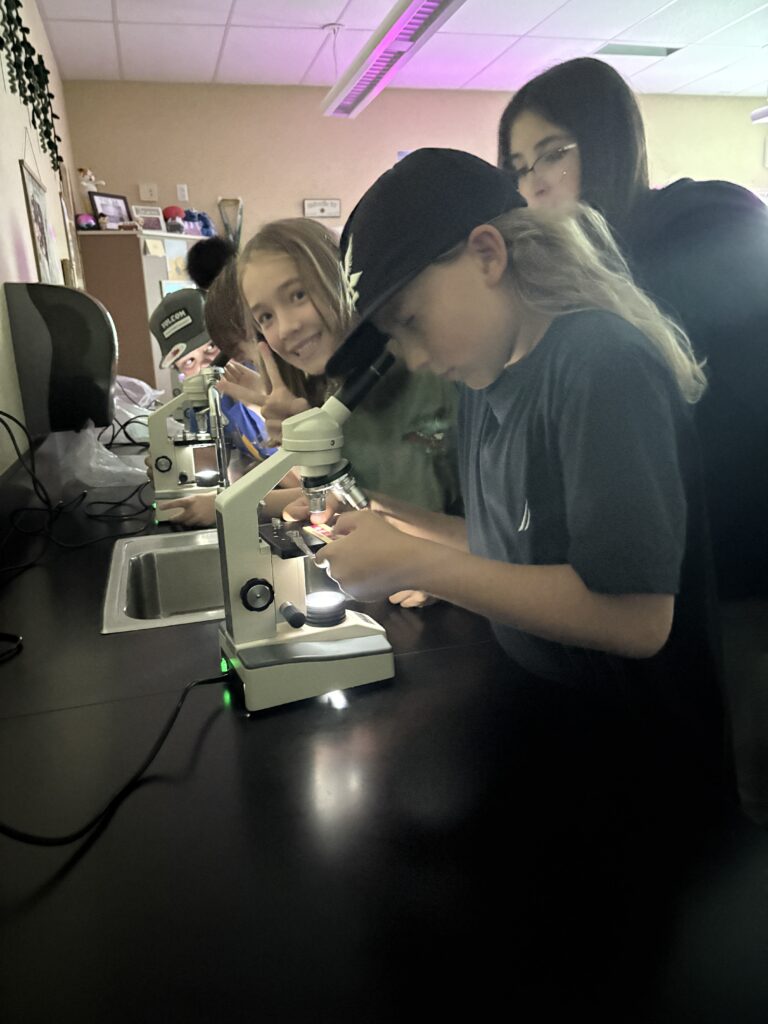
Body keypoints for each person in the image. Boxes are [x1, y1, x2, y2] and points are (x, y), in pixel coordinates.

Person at [319, 148, 724, 797]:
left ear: (487, 254)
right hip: (548, 717)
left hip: (640, 754)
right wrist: (397, 526)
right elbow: (513, 547)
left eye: (413, 321)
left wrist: (415, 564)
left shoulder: (600, 365)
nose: (415, 358)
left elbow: (637, 620)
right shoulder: (486, 376)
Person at [496, 56, 768, 602]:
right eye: (519, 167)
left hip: (739, 548)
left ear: (607, 142)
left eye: (552, 154)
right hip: (650, 557)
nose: (534, 184)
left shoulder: (708, 219)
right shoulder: (568, 271)